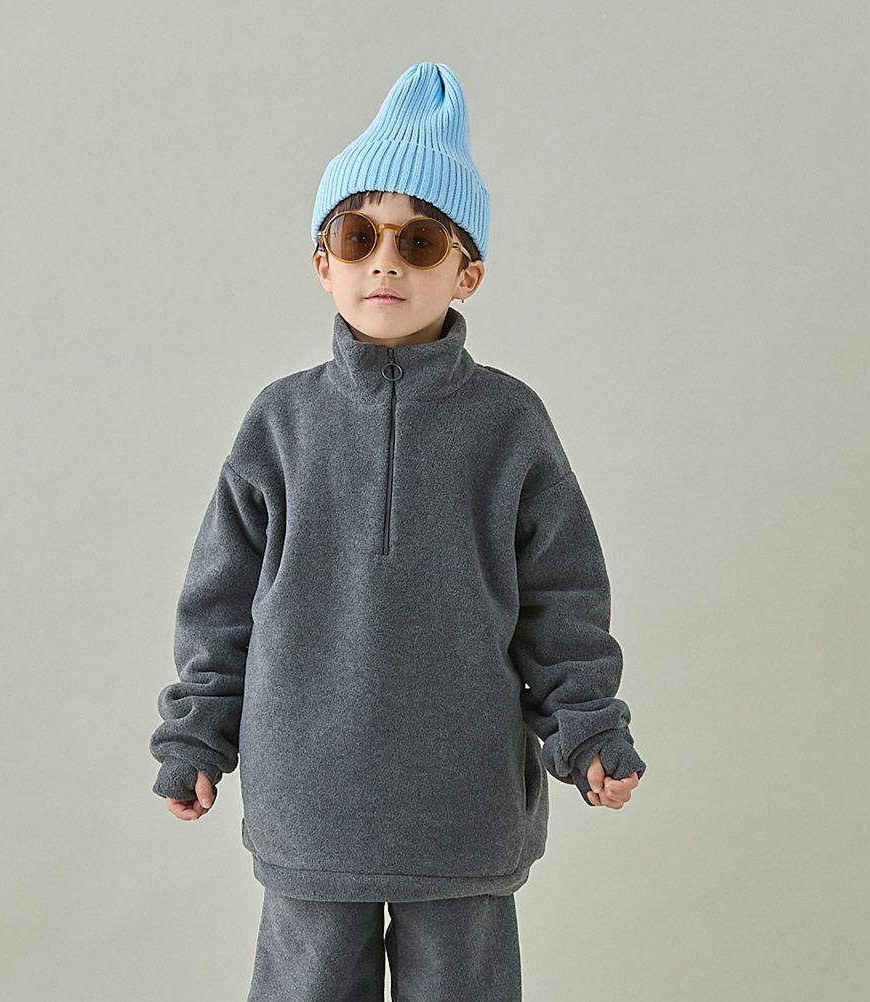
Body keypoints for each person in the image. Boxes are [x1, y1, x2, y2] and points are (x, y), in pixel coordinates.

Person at [148, 61, 647, 1002]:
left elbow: (563, 601)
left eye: (420, 242)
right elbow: (219, 604)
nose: (386, 262)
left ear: (468, 274)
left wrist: (587, 731)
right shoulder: (280, 423)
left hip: (462, 803)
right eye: (358, 235)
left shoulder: (509, 424)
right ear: (323, 264)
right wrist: (196, 737)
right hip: (310, 800)